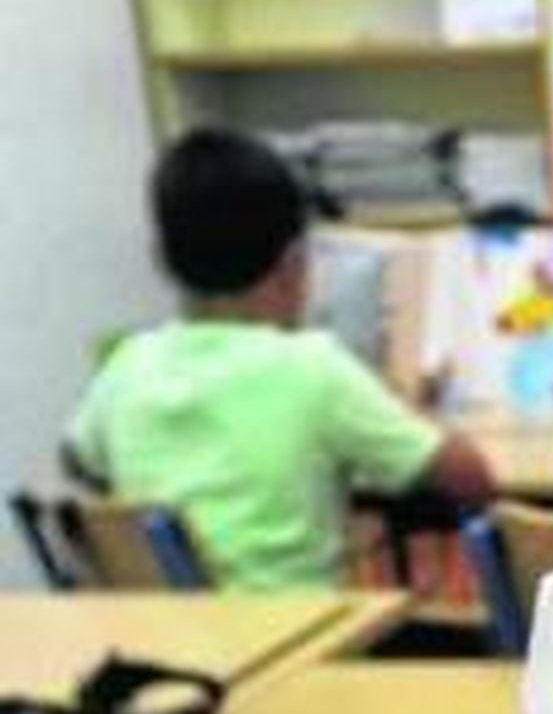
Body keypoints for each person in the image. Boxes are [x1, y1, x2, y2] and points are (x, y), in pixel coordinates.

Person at [64, 128, 492, 588]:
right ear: (294, 263)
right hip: (309, 642)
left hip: (174, 644)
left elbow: (78, 460)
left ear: (163, 261)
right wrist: (395, 402)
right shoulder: (314, 368)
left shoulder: (130, 363)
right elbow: (471, 479)